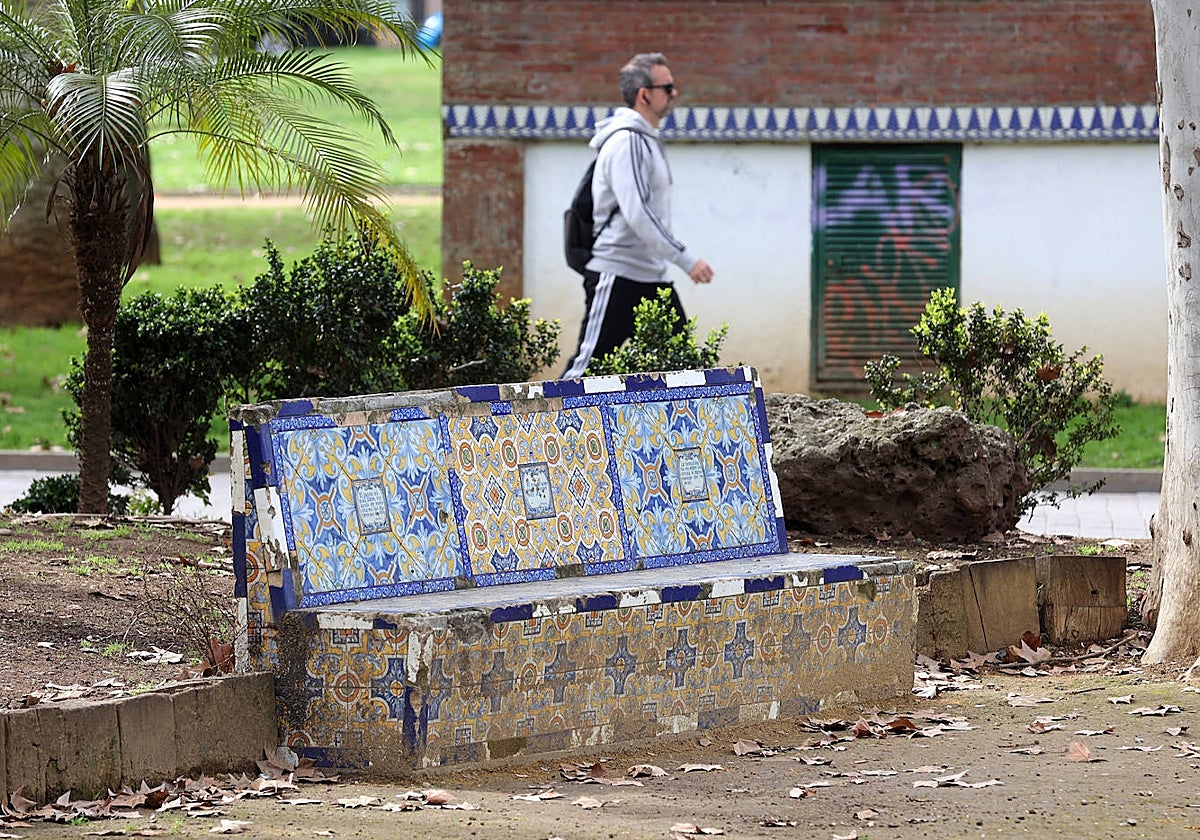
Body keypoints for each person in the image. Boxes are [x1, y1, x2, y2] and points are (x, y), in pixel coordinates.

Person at [561, 52, 714, 379]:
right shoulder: (626, 142)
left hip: (652, 276)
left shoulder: (647, 141)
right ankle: (543, 428)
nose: (674, 94)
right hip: (617, 275)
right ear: (645, 94)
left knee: (683, 370)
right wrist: (687, 259)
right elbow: (637, 213)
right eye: (667, 87)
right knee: (585, 372)